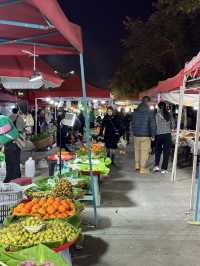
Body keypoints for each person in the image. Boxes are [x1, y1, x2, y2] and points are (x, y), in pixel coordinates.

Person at [132, 96, 156, 174]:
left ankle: (137, 166)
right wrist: (153, 135)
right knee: (144, 152)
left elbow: (132, 123)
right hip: (146, 135)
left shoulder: (135, 111)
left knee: (137, 150)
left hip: (136, 135)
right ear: (148, 102)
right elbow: (153, 125)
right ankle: (142, 168)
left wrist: (134, 132)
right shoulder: (150, 112)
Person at [153, 102, 174, 174]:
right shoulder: (169, 114)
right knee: (166, 152)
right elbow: (173, 125)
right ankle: (164, 169)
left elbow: (155, 125)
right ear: (165, 106)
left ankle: (156, 166)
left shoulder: (156, 114)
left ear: (158, 107)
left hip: (159, 134)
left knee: (158, 151)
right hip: (167, 134)